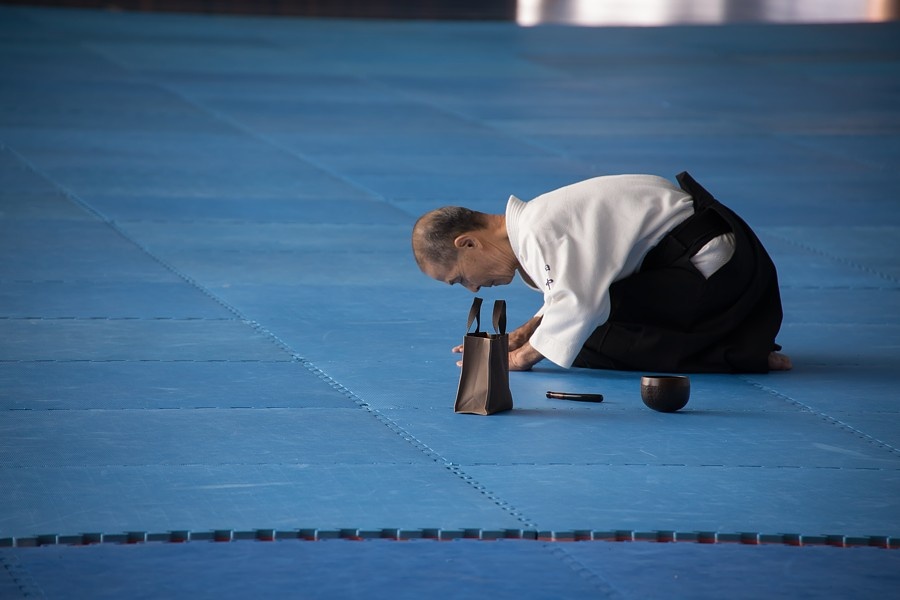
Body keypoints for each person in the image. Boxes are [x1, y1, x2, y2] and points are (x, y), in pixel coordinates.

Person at [411, 172, 791, 373]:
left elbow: (580, 307)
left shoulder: (540, 230)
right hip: (702, 263)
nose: (474, 287)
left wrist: (514, 360)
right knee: (571, 333)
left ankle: (740, 354)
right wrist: (521, 334)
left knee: (590, 342)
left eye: (460, 278)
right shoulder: (536, 222)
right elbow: (573, 290)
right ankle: (741, 346)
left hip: (711, 271)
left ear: (468, 243)